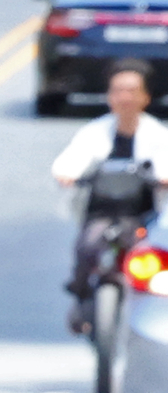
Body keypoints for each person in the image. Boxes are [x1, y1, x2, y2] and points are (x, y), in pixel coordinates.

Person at [56, 63, 159, 336]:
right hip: (101, 213)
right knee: (87, 246)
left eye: (132, 91)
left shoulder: (158, 136)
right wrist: (66, 173)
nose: (125, 97)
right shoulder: (94, 133)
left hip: (142, 217)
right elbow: (73, 158)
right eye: (118, 91)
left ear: (145, 97)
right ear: (109, 96)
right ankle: (81, 300)